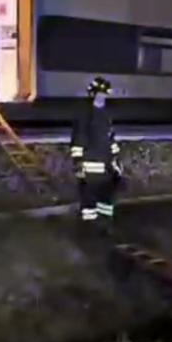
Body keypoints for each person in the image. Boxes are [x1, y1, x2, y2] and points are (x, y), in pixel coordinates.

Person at [70, 76, 123, 230]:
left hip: (106, 165)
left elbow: (110, 139)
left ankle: (105, 227)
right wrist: (78, 162)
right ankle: (88, 230)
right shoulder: (85, 115)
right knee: (89, 201)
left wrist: (115, 160)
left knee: (106, 198)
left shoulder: (106, 116)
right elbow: (78, 139)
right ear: (93, 94)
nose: (103, 97)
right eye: (101, 94)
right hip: (90, 165)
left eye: (105, 94)